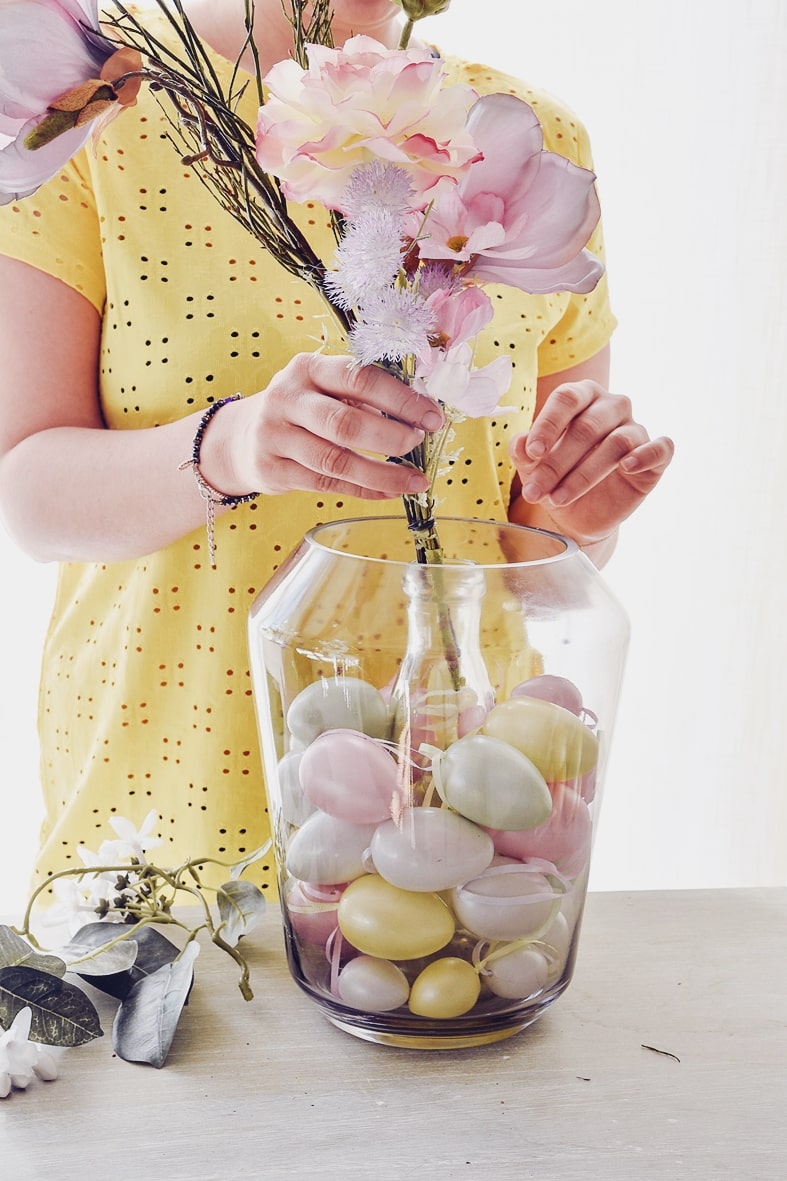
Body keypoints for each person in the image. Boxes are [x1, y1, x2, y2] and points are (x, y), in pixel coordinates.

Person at [0, 0, 673, 900]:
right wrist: (230, 446)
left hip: (452, 805)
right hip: (167, 810)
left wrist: (574, 516)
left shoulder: (533, 139)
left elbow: (525, 540)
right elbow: (29, 494)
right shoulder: (94, 119)